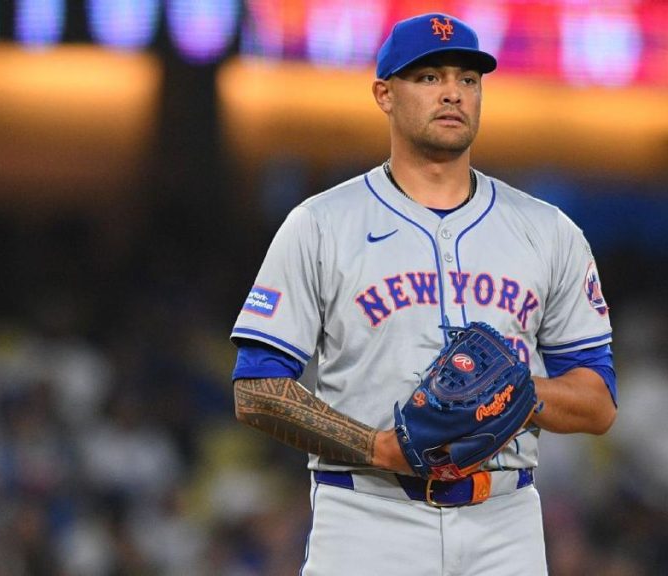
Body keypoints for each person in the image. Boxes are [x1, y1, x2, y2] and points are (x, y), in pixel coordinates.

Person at [230, 12, 618, 575]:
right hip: (368, 514)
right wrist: (377, 447)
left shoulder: (548, 231)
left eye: (468, 79)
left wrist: (516, 393)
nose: (453, 93)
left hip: (504, 520)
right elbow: (256, 390)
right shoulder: (321, 224)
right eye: (429, 77)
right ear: (384, 94)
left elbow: (598, 401)